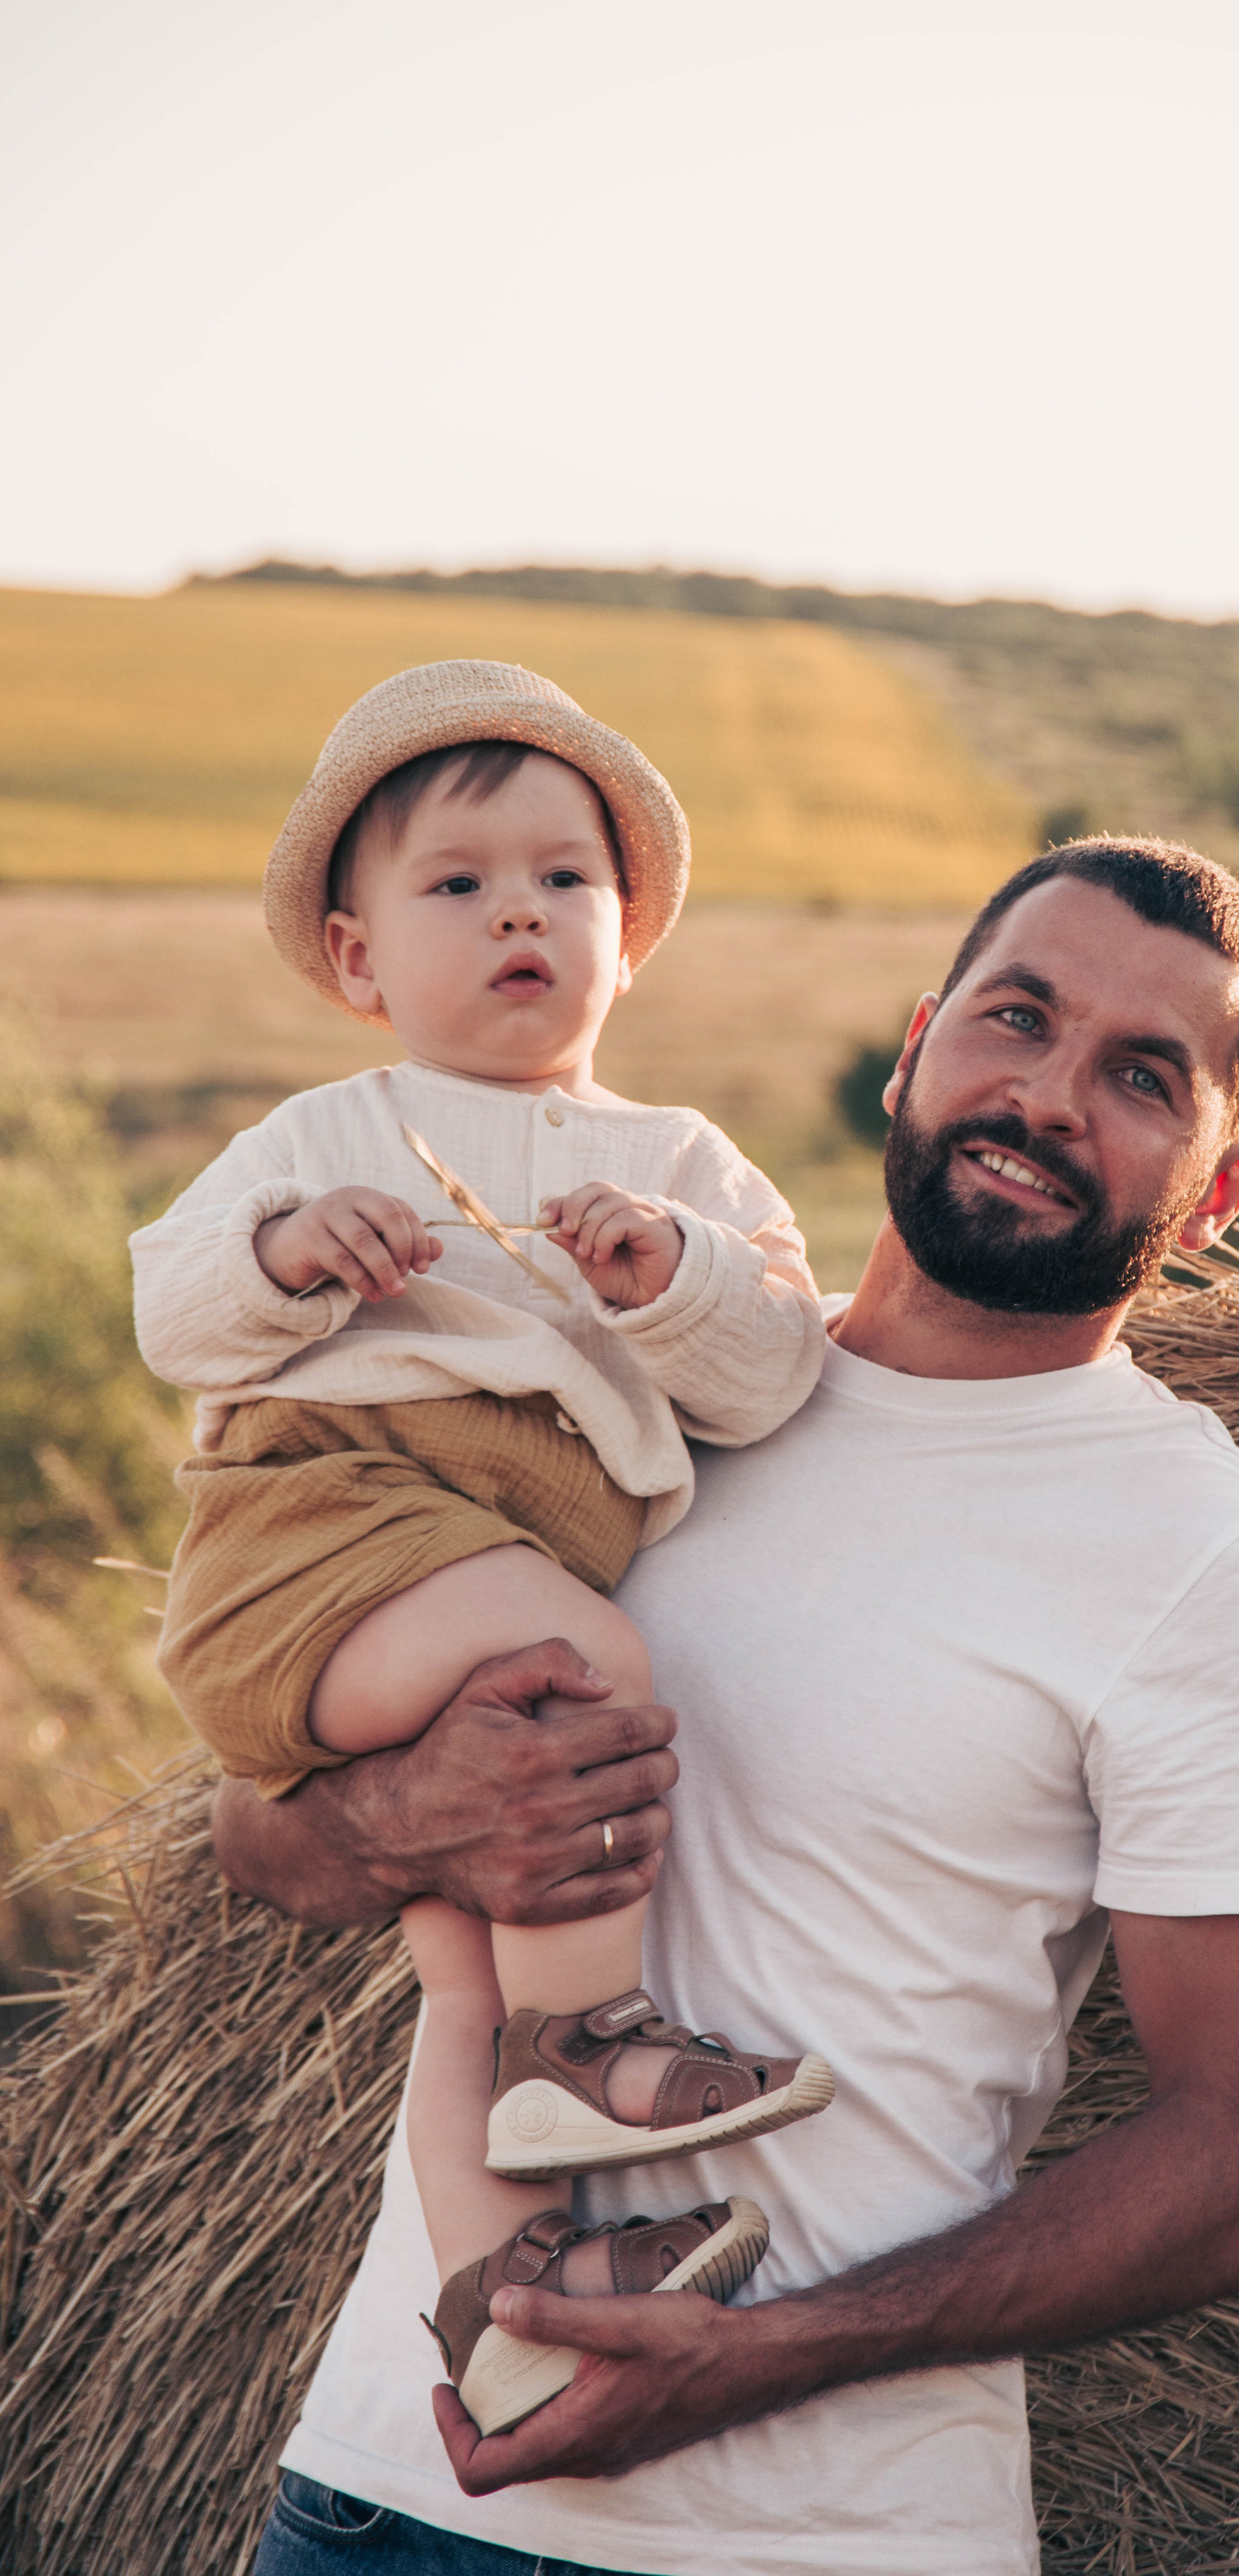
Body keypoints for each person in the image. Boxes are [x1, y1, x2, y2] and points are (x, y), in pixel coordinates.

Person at [219, 836, 1239, 2576]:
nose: (1046, 1096)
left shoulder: (1202, 1563)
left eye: (1142, 1076)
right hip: (389, 2489)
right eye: (1014, 1019)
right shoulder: (611, 1393)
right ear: (915, 1049)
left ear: (1219, 1189)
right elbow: (258, 1829)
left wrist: (759, 2361)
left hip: (818, 2536)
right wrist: (395, 1814)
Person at [131, 659, 833, 2439]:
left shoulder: (679, 1164)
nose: (517, 907)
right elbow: (172, 1308)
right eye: (456, 883)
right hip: (320, 1532)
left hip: (457, 1561)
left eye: (563, 878)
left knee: (460, 1957)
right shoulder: (324, 1134)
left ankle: (509, 2307)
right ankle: (586, 2049)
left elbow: (770, 1367)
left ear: (628, 933)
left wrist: (669, 1277)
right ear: (361, 958)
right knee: (573, 1670)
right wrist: (286, 1248)